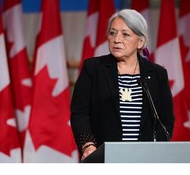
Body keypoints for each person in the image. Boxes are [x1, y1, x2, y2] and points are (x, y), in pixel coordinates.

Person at [70, 9, 175, 161]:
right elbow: (80, 113)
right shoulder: (93, 69)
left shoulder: (157, 74)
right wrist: (88, 145)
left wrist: (155, 150)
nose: (117, 39)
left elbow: (165, 120)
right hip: (103, 158)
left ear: (141, 41)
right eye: (112, 33)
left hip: (145, 161)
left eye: (125, 34)